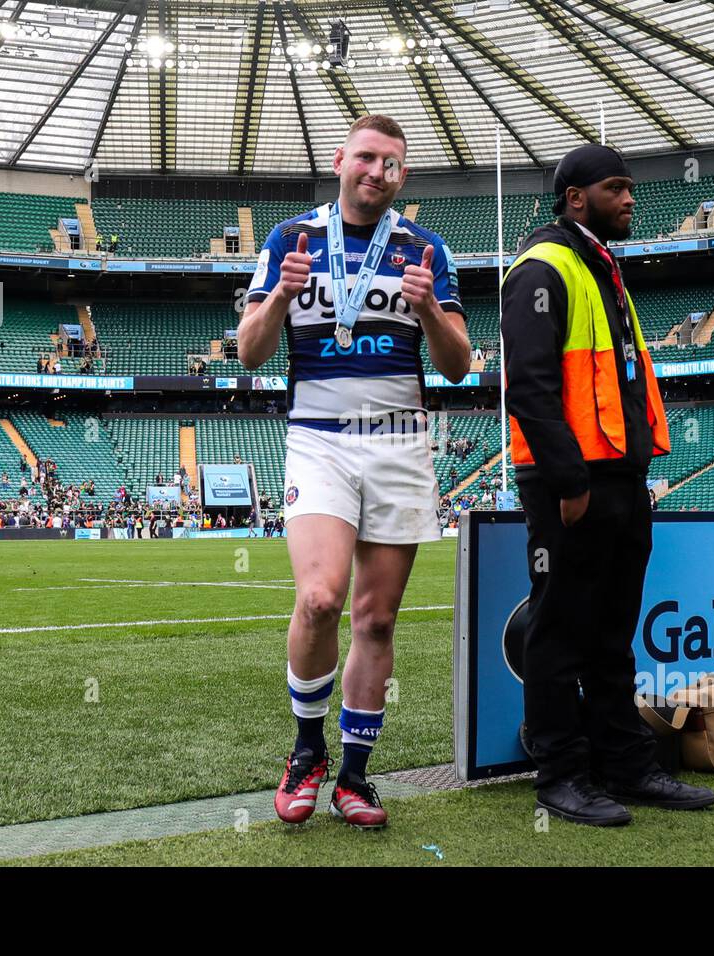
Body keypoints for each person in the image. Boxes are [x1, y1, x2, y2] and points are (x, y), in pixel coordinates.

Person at [238, 113, 469, 830]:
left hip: (400, 440)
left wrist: (430, 308)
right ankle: (306, 753)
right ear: (341, 159)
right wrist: (280, 294)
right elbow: (249, 353)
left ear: (403, 175)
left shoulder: (425, 247)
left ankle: (356, 777)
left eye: (392, 164)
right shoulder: (289, 239)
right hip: (320, 439)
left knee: (377, 617)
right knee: (319, 598)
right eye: (366, 157)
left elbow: (458, 363)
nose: (377, 172)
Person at [500, 143, 714, 827]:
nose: (630, 199)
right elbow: (529, 388)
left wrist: (631, 474)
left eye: (629, 187)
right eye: (617, 188)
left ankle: (624, 763)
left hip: (618, 475)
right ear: (574, 197)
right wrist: (569, 479)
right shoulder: (543, 267)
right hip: (572, 481)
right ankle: (561, 775)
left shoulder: (600, 266)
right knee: (560, 631)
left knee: (614, 634)